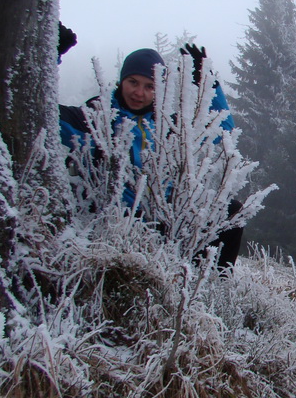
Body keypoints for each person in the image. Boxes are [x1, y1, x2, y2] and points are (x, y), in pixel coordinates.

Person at [59, 45, 244, 267]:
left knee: (230, 210)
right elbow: (45, 110)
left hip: (163, 221)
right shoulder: (94, 118)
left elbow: (222, 128)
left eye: (150, 86)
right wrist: (52, 54)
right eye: (133, 82)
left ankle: (211, 284)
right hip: (109, 222)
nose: (139, 93)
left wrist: (206, 80)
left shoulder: (169, 125)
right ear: (121, 81)